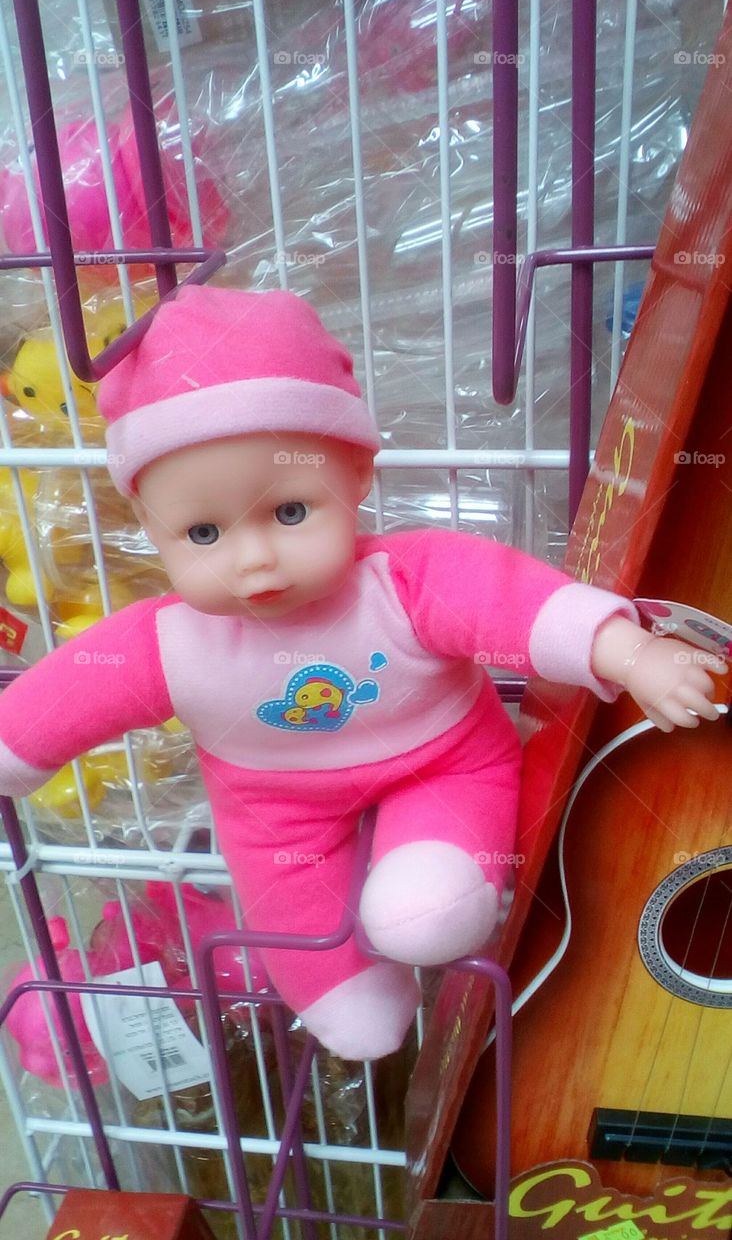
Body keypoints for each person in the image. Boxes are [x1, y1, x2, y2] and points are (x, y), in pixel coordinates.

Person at [0, 286, 724, 1059]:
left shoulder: (403, 583)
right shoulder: (167, 643)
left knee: (424, 911)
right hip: (272, 805)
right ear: (152, 527)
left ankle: (431, 883)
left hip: (442, 762)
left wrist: (630, 650)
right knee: (294, 909)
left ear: (357, 473)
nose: (253, 561)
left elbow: (511, 603)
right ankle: (341, 986)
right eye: (203, 532)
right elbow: (66, 695)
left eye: (288, 513)